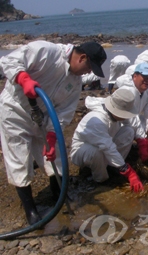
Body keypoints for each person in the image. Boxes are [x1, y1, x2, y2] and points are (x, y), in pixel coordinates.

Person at [0, 40, 106, 225]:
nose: (88, 73)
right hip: (14, 111)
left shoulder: (75, 82)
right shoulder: (47, 51)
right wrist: (23, 79)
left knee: (55, 155)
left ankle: (58, 193)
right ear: (82, 58)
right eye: (89, 67)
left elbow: (64, 111)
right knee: (19, 160)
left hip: (41, 118)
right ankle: (31, 211)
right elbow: (9, 61)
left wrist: (51, 134)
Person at [70, 89, 144, 192]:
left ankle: (113, 167)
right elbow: (108, 148)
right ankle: (101, 180)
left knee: (129, 131)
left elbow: (133, 123)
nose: (125, 117)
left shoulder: (115, 114)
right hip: (84, 150)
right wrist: (128, 171)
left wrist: (142, 140)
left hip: (106, 145)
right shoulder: (97, 120)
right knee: (95, 152)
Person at [118, 62, 148, 161]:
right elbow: (130, 118)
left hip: (132, 123)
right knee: (128, 132)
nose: (147, 81)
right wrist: (142, 141)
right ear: (135, 76)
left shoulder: (147, 92)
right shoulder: (127, 91)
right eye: (144, 77)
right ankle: (118, 161)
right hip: (120, 126)